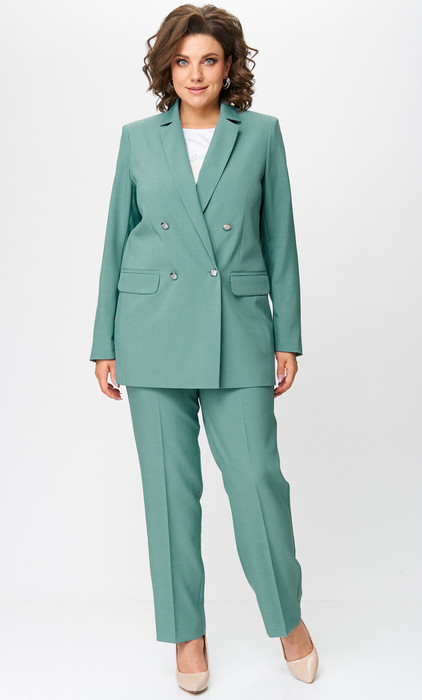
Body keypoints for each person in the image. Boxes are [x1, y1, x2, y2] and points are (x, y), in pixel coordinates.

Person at [89, 3, 319, 691]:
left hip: (238, 327)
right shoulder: (137, 139)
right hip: (151, 327)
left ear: (229, 67)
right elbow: (116, 239)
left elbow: (280, 236)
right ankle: (187, 633)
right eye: (183, 61)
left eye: (209, 60)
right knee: (169, 494)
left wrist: (288, 334)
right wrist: (104, 339)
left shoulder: (261, 134)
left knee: (257, 482)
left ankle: (287, 618)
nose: (195, 74)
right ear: (167, 68)